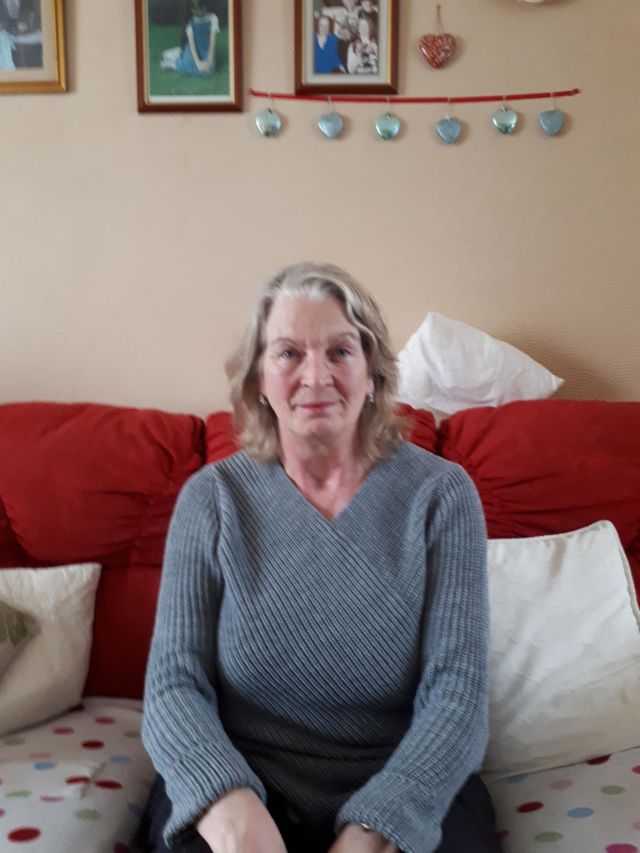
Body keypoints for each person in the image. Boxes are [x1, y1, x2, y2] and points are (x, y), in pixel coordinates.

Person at [140, 262, 500, 853]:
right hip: (243, 779)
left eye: (340, 351)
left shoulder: (441, 496)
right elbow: (173, 683)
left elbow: (457, 694)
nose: (316, 376)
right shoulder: (213, 500)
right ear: (259, 378)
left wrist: (377, 829)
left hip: (405, 777)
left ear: (372, 373)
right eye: (288, 353)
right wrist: (231, 810)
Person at [160, 0, 219, 77]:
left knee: (210, 71)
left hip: (205, 50)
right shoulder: (190, 21)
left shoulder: (213, 18)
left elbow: (212, 42)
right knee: (190, 65)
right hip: (192, 49)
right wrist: (198, 63)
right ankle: (173, 63)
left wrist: (209, 61)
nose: (196, 11)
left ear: (205, 6)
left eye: (199, 7)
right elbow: (192, 44)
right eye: (193, 8)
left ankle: (180, 53)